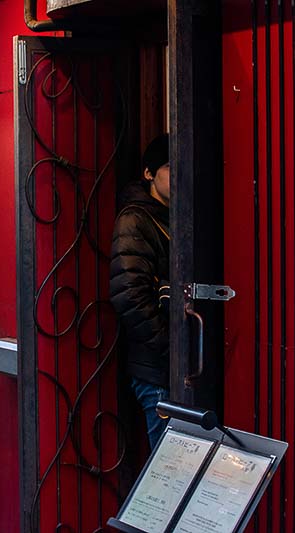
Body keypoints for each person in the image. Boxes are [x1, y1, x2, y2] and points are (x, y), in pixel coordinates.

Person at [110, 134, 171, 451]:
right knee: (169, 470)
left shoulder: (176, 217)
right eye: (168, 167)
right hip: (156, 368)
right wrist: (169, 346)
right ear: (149, 173)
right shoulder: (136, 219)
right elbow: (129, 294)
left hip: (173, 366)